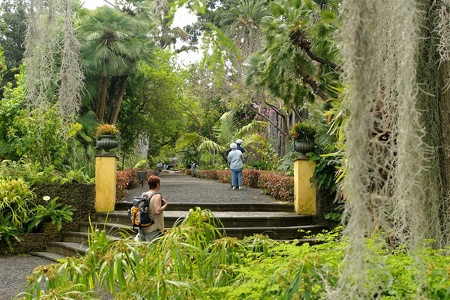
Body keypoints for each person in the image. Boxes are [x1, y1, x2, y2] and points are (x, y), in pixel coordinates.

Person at [139, 175, 168, 242]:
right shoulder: (157, 196)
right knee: (153, 249)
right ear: (157, 184)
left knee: (143, 248)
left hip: (143, 225)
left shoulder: (144, 194)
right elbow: (157, 211)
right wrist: (166, 205)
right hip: (153, 226)